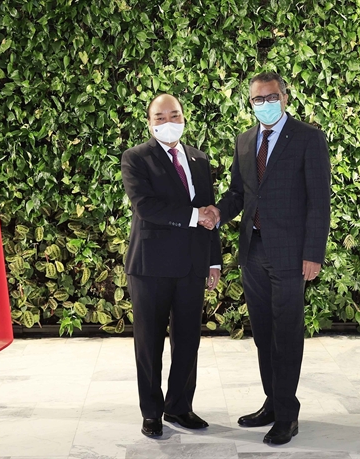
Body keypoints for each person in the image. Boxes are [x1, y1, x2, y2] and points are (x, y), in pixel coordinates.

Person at [204, 72, 331, 445]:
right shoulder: (245, 141)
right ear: (250, 103)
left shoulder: (308, 138)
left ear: (285, 97)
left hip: (292, 254)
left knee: (287, 334)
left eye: (271, 96)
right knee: (263, 333)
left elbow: (319, 201)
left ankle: (288, 416)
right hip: (253, 251)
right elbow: (238, 194)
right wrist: (217, 213)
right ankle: (272, 403)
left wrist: (313, 253)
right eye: (258, 99)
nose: (265, 104)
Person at [121, 94, 222, 438]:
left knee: (188, 341)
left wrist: (214, 261)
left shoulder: (198, 158)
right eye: (160, 117)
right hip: (150, 266)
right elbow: (146, 207)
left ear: (184, 117)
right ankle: (151, 412)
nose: (168, 122)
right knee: (149, 343)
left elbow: (211, 213)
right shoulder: (136, 158)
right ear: (149, 122)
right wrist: (195, 216)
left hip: (192, 265)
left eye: (174, 115)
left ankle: (180, 407)